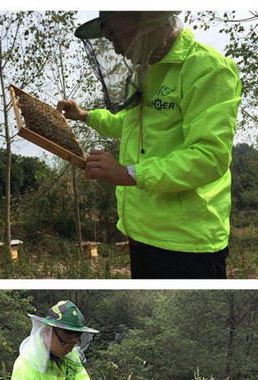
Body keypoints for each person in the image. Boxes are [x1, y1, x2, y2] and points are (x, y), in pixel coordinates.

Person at [57, 12, 241, 279]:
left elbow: (209, 158)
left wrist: (129, 174)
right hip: (142, 236)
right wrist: (85, 116)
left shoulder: (208, 68)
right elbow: (131, 124)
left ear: (149, 21)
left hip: (188, 245)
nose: (118, 49)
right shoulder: (148, 70)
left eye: (117, 36)